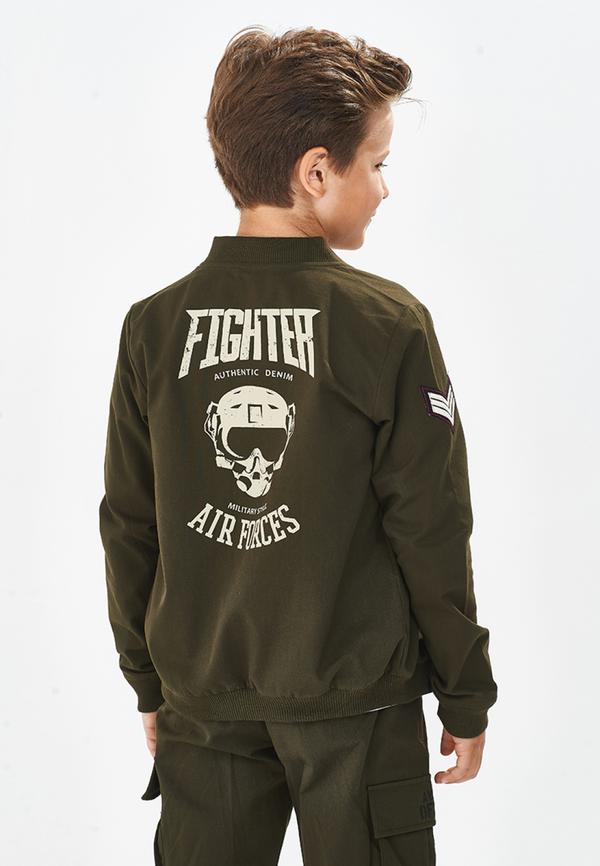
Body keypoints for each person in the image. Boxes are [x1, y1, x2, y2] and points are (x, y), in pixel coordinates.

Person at [99, 25, 498, 865]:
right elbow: (430, 525)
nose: (384, 188)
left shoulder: (155, 327)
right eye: (377, 163)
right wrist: (465, 692)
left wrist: (149, 682)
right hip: (360, 706)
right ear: (317, 172)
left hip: (203, 701)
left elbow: (129, 522)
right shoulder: (386, 323)